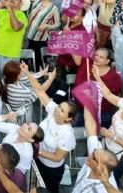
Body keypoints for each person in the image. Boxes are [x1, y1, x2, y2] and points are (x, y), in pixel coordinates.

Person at [22, 63, 77, 193]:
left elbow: (58, 157)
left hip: (51, 168)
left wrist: (36, 151)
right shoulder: (53, 110)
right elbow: (39, 91)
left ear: (69, 118)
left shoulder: (67, 134)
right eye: (59, 106)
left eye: (62, 110)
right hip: (38, 160)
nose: (57, 110)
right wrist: (27, 73)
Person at [72, 108, 119, 193]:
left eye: (93, 156)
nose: (89, 155)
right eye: (93, 152)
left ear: (101, 167)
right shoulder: (96, 157)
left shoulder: (102, 190)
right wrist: (87, 101)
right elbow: (90, 125)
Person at [25, 0, 60, 68]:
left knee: (38, 59)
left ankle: (40, 75)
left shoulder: (53, 8)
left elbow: (58, 24)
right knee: (28, 57)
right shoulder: (36, 2)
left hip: (40, 37)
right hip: (29, 34)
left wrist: (46, 26)